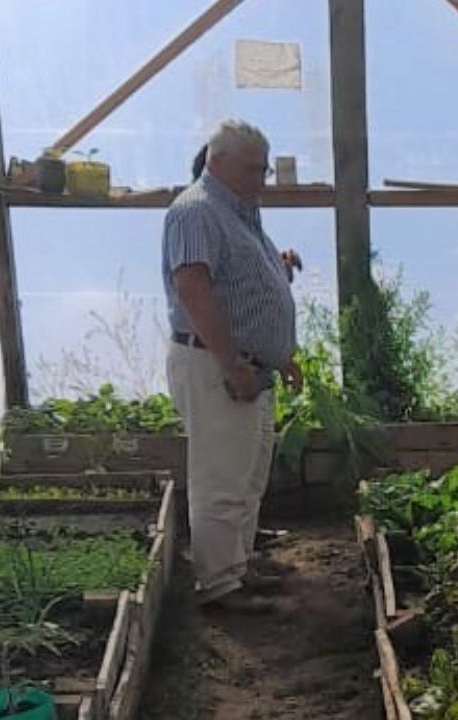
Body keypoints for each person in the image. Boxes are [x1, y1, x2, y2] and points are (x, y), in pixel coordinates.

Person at [163, 120, 304, 613]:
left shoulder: (240, 211)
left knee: (247, 475)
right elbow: (193, 288)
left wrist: (279, 354)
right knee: (220, 478)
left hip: (249, 367)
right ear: (216, 162)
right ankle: (220, 584)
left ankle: (238, 566)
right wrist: (230, 363)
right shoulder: (196, 210)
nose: (261, 178)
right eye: (251, 168)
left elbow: (242, 283)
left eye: (264, 168)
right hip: (215, 365)